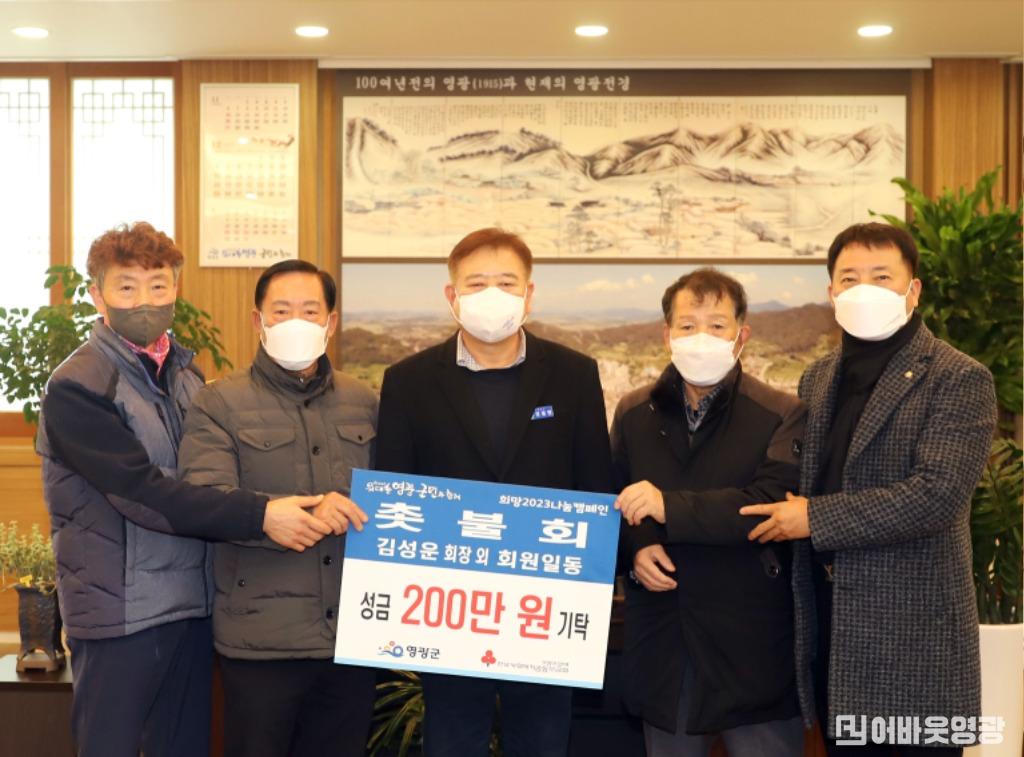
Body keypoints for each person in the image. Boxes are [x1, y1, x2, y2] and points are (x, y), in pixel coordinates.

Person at [35, 222, 331, 757]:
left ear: (176, 289)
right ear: (98, 295)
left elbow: (213, 479)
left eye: (158, 286)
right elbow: (142, 493)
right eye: (126, 287)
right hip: (121, 614)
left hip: (192, 607)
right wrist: (261, 516)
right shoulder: (78, 385)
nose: (144, 301)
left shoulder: (189, 377)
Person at [740, 222, 998, 756]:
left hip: (915, 640)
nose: (865, 290)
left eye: (882, 277)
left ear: (913, 289)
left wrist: (815, 518)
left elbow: (936, 495)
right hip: (834, 629)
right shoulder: (818, 376)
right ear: (831, 292)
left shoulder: (958, 376)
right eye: (850, 278)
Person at [374, 227, 614, 757]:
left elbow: (596, 486)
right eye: (476, 283)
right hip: (448, 606)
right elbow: (396, 490)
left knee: (543, 741)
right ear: (451, 295)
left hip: (546, 606)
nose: (492, 295)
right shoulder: (409, 380)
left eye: (506, 283)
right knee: (452, 741)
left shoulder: (574, 375)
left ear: (529, 294)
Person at [177, 259, 378, 757]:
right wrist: (287, 514)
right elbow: (204, 499)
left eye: (310, 311)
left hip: (351, 637)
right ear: (258, 320)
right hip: (261, 643)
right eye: (281, 311)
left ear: (331, 322)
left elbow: (394, 496)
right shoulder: (219, 403)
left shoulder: (365, 401)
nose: (296, 322)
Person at [611, 267, 809, 756]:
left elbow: (766, 507)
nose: (702, 337)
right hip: (666, 642)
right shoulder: (633, 412)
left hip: (752, 645)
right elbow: (610, 499)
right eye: (688, 325)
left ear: (742, 335)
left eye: (717, 325)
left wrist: (666, 506)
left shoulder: (780, 412)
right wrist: (638, 547)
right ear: (667, 335)